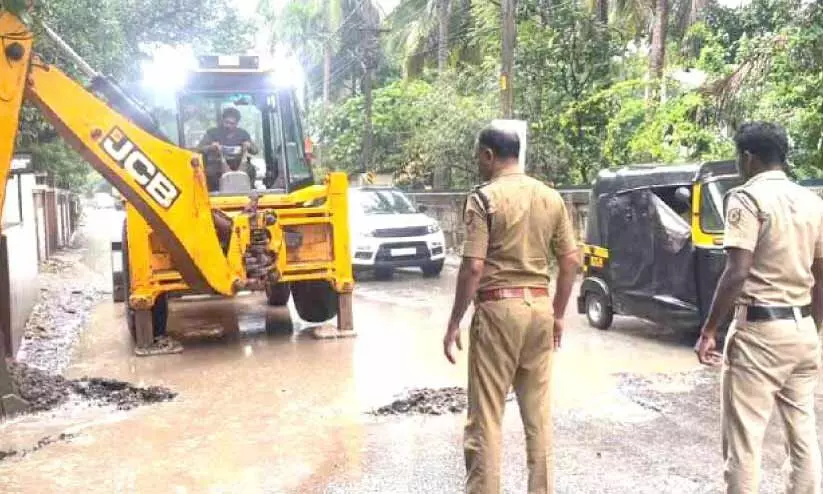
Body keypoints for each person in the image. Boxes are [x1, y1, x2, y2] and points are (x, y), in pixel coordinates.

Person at [443, 124, 579, 493]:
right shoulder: (551, 197)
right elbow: (570, 262)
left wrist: (454, 321)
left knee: (486, 419)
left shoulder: (484, 199)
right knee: (538, 419)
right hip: (539, 309)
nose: (478, 164)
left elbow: (473, 267)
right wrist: (559, 314)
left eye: (478, 157)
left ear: (489, 155)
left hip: (498, 311)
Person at [695, 121, 823, 494]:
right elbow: (822, 271)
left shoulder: (746, 199)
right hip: (802, 331)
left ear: (748, 158)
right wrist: (814, 327)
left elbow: (736, 273)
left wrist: (709, 330)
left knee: (744, 441)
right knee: (803, 436)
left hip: (759, 333)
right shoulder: (814, 203)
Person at [197, 106, 259, 191]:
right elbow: (200, 149)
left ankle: (248, 191)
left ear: (237, 123)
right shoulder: (212, 133)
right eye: (227, 122)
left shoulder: (243, 134)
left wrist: (249, 145)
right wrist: (211, 147)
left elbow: (255, 150)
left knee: (251, 170)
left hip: (239, 164)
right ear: (222, 120)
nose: (228, 125)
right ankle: (214, 193)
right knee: (210, 172)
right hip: (217, 164)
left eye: (232, 123)